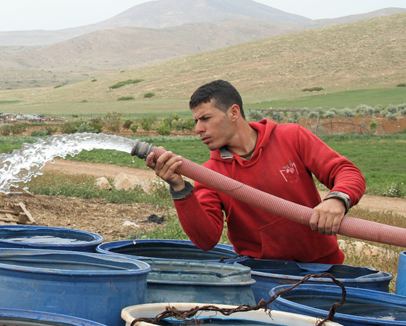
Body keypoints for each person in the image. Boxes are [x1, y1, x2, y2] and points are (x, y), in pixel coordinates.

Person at [147, 80, 366, 264]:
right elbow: (206, 240)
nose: (198, 129)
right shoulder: (210, 174)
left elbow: (345, 171)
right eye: (196, 121)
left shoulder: (291, 137)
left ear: (234, 112)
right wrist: (178, 187)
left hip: (324, 267)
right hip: (263, 275)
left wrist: (338, 199)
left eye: (205, 118)